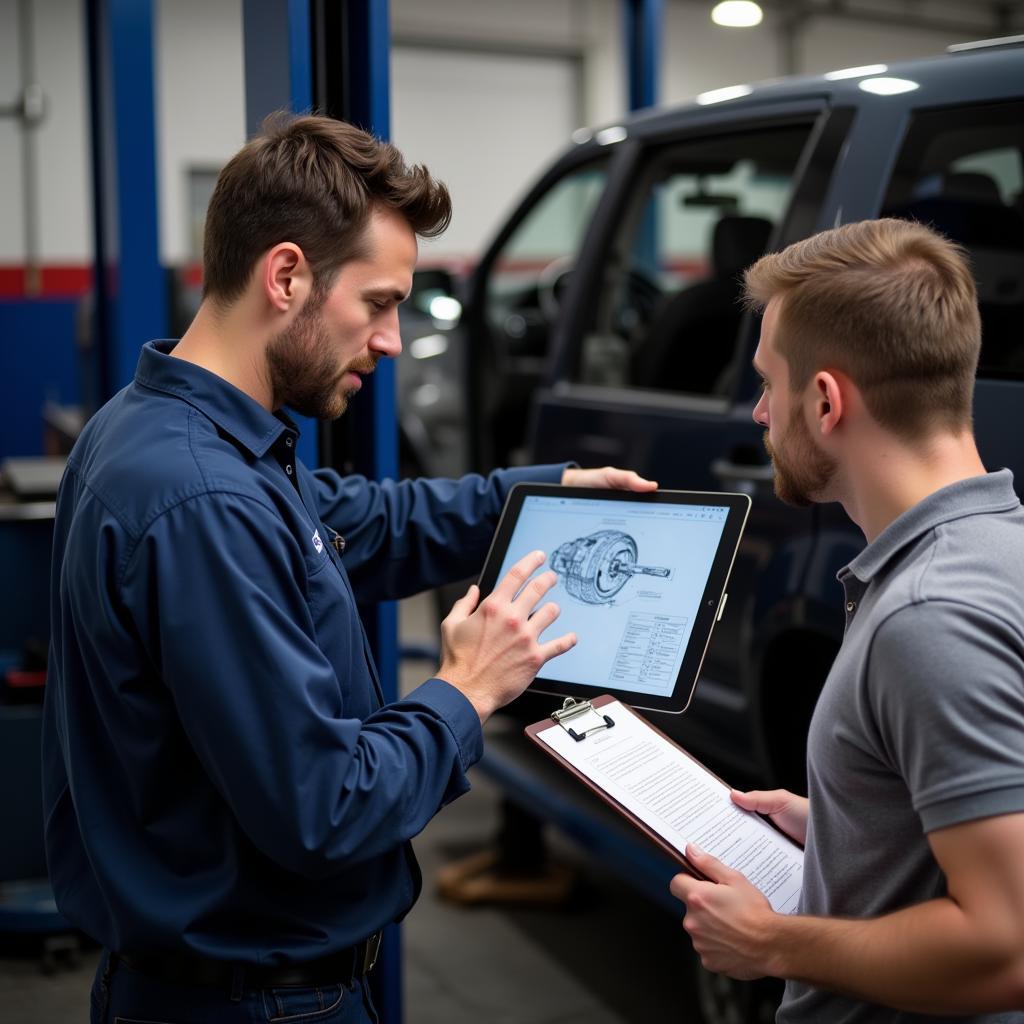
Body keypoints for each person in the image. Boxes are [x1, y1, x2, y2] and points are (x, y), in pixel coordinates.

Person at [43, 113, 655, 1024]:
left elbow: (362, 523)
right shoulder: (205, 498)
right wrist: (465, 689)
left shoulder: (163, 426)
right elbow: (325, 808)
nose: (393, 341)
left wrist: (541, 495)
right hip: (254, 1002)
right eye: (378, 303)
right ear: (286, 275)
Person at [670, 218, 1024, 1022]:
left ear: (826, 401)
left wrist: (772, 943)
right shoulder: (999, 546)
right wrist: (845, 826)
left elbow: (1007, 946)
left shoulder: (929, 617)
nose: (760, 415)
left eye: (768, 385)